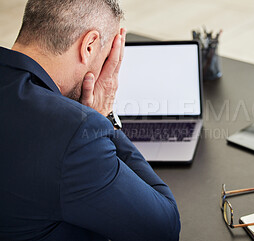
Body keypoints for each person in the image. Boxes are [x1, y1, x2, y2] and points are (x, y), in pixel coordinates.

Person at [0, 0, 180, 240]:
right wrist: (102, 116)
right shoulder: (73, 132)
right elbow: (163, 228)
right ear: (89, 45)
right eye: (106, 58)